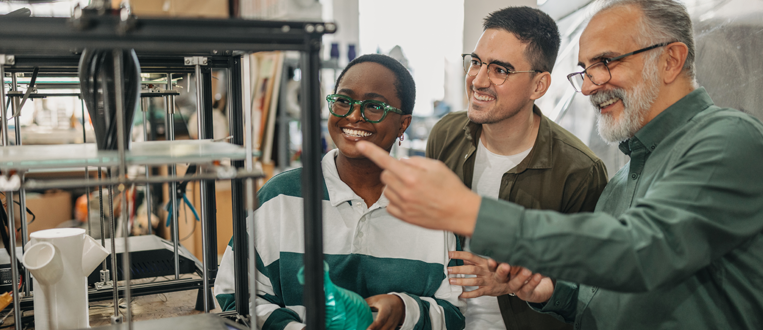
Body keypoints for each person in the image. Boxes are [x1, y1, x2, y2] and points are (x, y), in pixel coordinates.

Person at [355, 0, 763, 329]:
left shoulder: (728, 139)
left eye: (605, 62)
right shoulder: (626, 178)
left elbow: (643, 250)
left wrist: (469, 211)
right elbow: (603, 291)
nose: (588, 85)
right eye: (584, 70)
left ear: (671, 60)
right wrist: (549, 290)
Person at [214, 54, 465, 330]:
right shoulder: (280, 198)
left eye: (374, 106)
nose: (354, 116)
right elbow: (235, 296)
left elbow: (457, 311)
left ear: (403, 124)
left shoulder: (433, 206)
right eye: (344, 101)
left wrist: (404, 311)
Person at [426, 6, 607, 330]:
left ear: (539, 86)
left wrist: (514, 280)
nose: (478, 80)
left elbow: (588, 293)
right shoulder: (446, 135)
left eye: (500, 70)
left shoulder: (579, 171)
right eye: (477, 62)